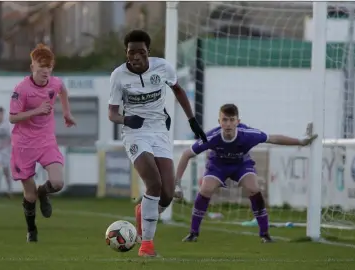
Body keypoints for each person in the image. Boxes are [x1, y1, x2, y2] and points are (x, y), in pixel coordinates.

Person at [108, 29, 207, 257]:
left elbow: (179, 90)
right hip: (135, 133)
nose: (136, 57)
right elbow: (112, 114)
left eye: (140, 52)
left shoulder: (162, 67)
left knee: (167, 194)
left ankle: (142, 211)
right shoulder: (118, 76)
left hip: (160, 131)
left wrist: (192, 121)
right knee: (153, 184)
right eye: (131, 52)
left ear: (148, 52)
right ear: (126, 53)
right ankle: (147, 246)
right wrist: (127, 119)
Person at [174, 103, 318, 243]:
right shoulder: (211, 137)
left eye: (232, 120)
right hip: (218, 166)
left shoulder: (248, 134)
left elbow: (273, 138)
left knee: (253, 188)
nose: (228, 124)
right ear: (219, 121)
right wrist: (177, 184)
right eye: (225, 120)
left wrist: (300, 141)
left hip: (241, 165)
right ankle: (193, 233)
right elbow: (187, 154)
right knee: (205, 189)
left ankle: (265, 234)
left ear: (238, 121)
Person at [9, 44, 76, 242]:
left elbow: (62, 90)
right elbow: (12, 118)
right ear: (32, 68)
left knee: (57, 183)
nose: (44, 75)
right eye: (40, 71)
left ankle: (43, 192)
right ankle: (32, 230)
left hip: (46, 140)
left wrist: (66, 112)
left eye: (48, 71)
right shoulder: (21, 90)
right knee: (29, 196)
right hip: (23, 145)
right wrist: (36, 111)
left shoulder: (54, 83)